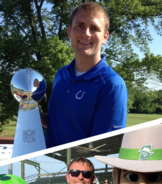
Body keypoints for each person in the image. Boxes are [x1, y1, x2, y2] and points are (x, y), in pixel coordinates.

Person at [41, 2, 128, 148]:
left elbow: (102, 148)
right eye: (80, 25)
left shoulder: (112, 85)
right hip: (45, 164)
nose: (86, 33)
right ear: (69, 31)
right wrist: (30, 114)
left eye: (94, 28)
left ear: (105, 37)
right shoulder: (61, 75)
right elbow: (59, 123)